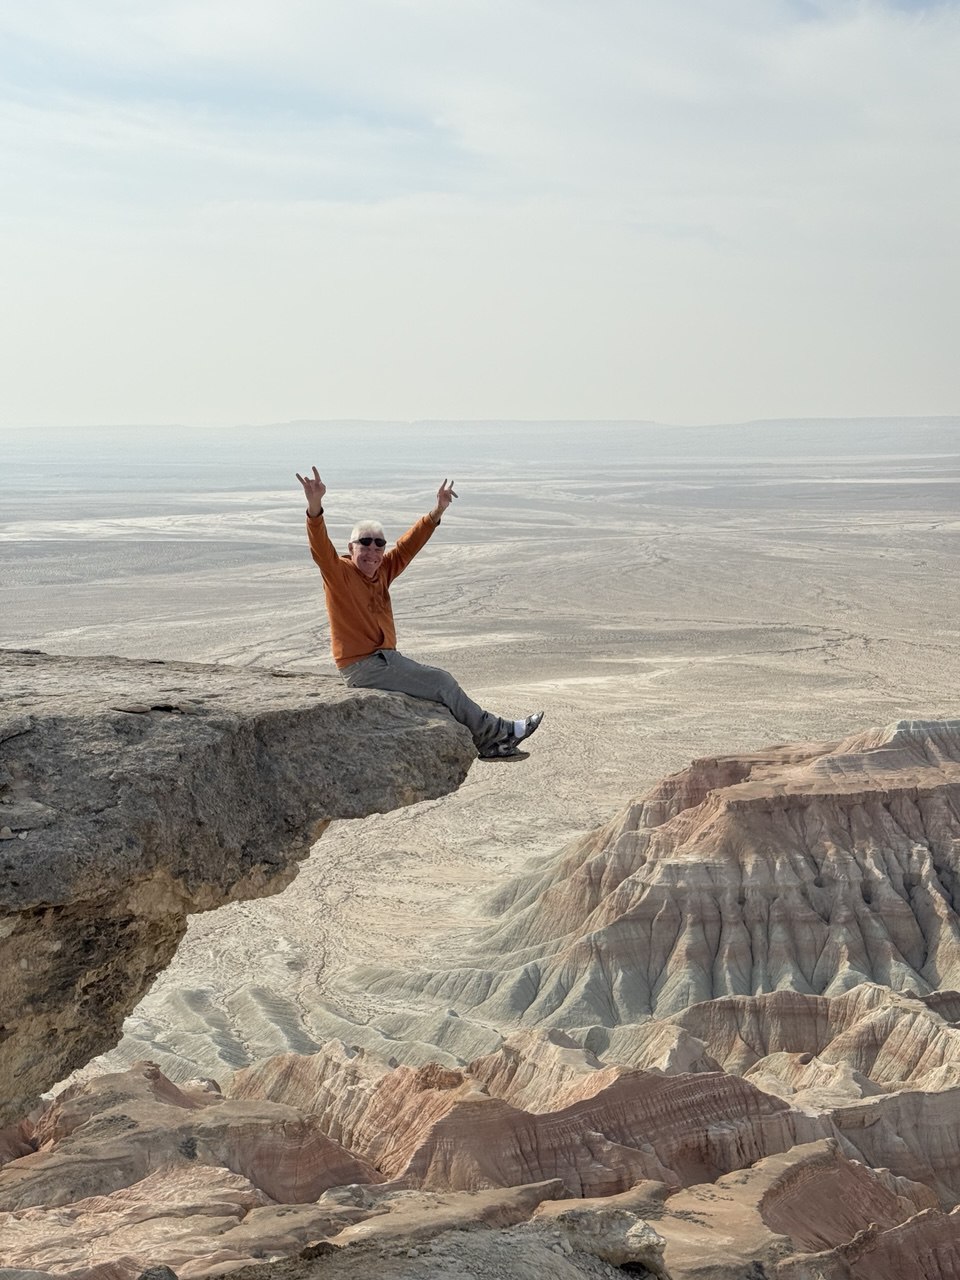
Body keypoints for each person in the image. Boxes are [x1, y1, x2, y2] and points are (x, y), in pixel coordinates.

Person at [295, 466, 544, 759]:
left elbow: (407, 547)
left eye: (379, 545)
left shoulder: (382, 570)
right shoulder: (339, 574)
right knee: (442, 682)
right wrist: (314, 506)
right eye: (365, 543)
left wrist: (437, 511)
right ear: (351, 547)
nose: (373, 551)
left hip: (384, 660)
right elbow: (320, 548)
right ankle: (497, 733)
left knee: (439, 682)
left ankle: (493, 741)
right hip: (363, 666)